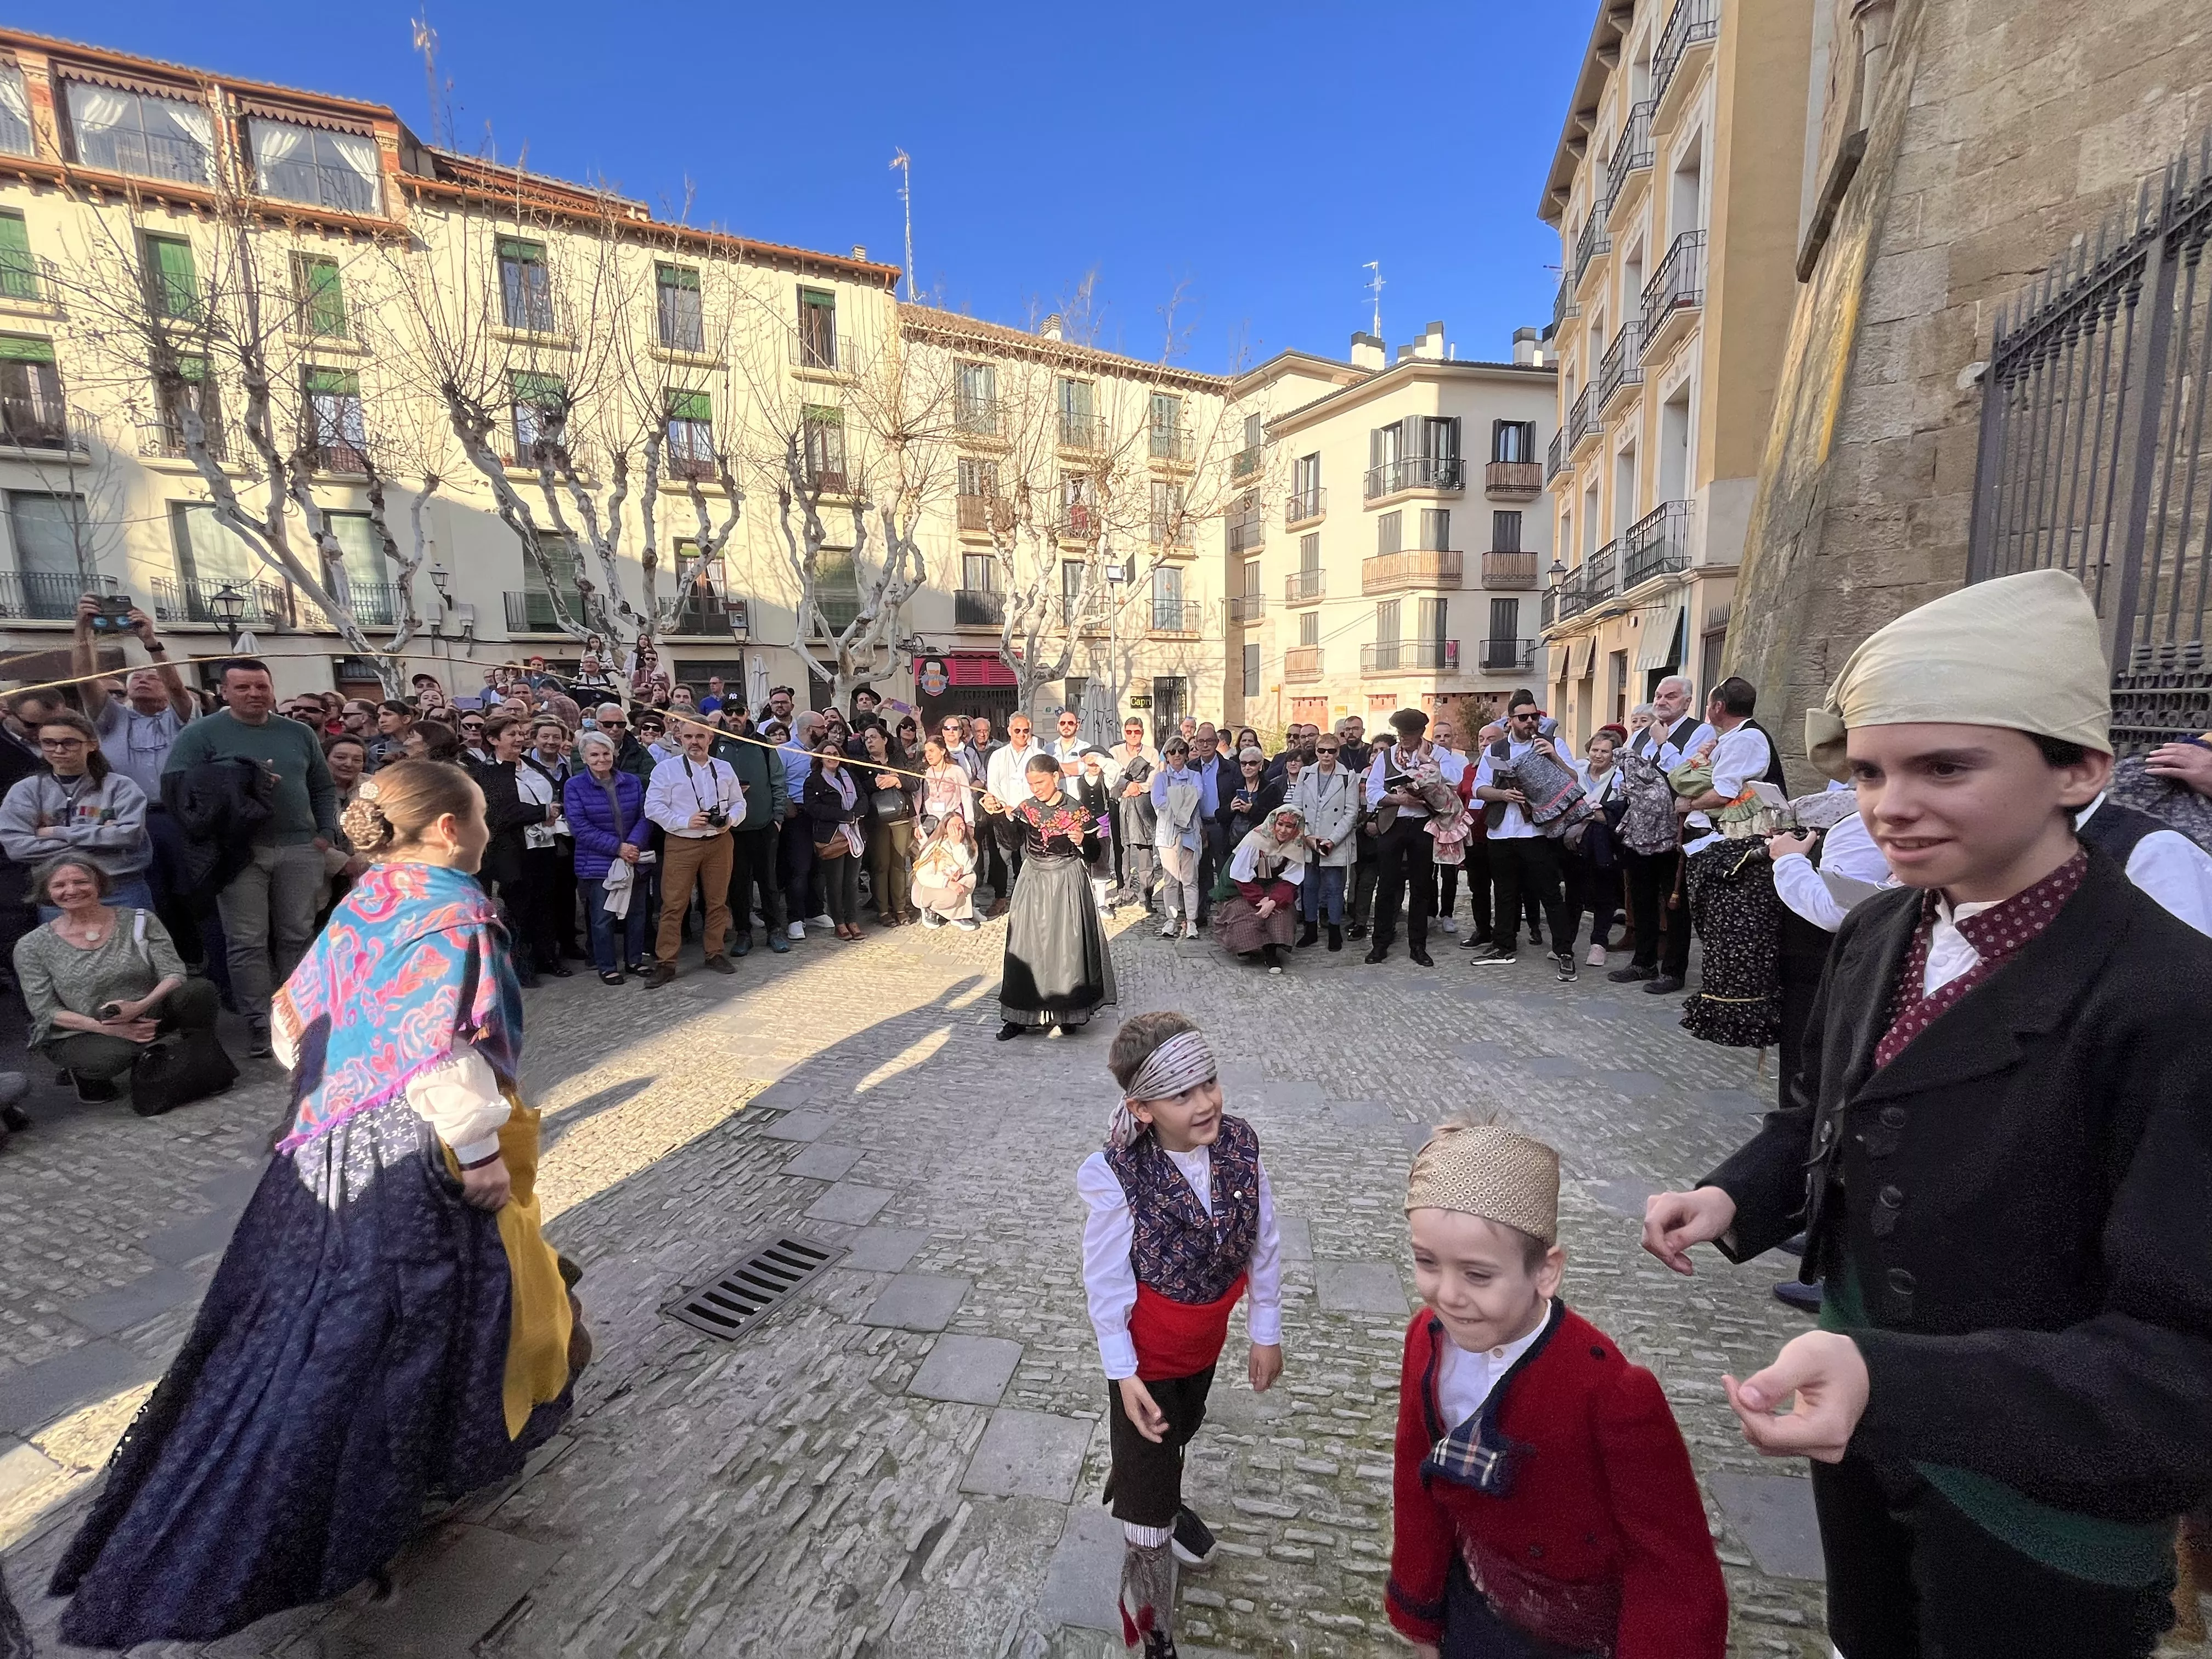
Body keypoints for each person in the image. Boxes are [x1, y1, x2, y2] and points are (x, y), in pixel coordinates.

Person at [1642, 567, 2212, 1659]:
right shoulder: (1876, 933)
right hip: (1861, 1430)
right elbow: (1827, 1118)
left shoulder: (2172, 1000)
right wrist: (1732, 1194)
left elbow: (2181, 1368)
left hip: (2036, 1503)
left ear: (2079, 769)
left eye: (1943, 766)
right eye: (1866, 770)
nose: (1888, 804)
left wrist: (1892, 1378)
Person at [48, 761, 580, 1650]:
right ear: (448, 828)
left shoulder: (371, 897)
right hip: (419, 1151)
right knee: (420, 1327)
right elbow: (441, 1049)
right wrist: (480, 1151)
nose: (488, 828)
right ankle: (364, 1496)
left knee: (311, 1324)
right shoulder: (456, 911)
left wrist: (341, 1092)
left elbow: (295, 1021)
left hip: (328, 1139)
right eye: (480, 815)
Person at [1390, 1120, 1727, 1658]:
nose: (1446, 1295)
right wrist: (1420, 1613)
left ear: (1547, 1273)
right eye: (1426, 1262)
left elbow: (1671, 1560)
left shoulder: (1613, 1393)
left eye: (1478, 1275)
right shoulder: (1425, 1341)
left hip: (1576, 1635)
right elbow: (1417, 1475)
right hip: (1473, 1604)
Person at [1079, 1014, 1283, 1653]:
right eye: (1182, 1094)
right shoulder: (1116, 1175)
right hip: (1147, 1359)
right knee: (1147, 1499)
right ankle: (1153, 1626)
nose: (1206, 1103)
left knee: (1182, 1430)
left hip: (1204, 1343)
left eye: (1210, 1083)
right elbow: (1106, 1279)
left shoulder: (1240, 1146)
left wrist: (1265, 1329)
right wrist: (1122, 1371)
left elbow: (1263, 1240)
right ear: (1141, 1109)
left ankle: (1154, 1486)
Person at [162, 660, 339, 1059]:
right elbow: (178, 789)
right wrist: (237, 778)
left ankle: (300, 1018)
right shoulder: (201, 734)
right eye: (242, 688)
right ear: (224, 692)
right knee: (247, 942)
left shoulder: (298, 733)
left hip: (300, 848)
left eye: (261, 686)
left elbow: (323, 787)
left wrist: (325, 833)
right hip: (237, 852)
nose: (254, 694)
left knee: (298, 935)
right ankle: (261, 1022)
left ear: (272, 689)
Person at [14, 855, 225, 1107]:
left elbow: (174, 973)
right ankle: (87, 1076)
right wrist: (109, 1028)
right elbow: (45, 1011)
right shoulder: (32, 946)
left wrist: (141, 1006)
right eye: (60, 885)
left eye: (81, 882)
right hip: (82, 1028)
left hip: (147, 1010)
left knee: (199, 991)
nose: (71, 891)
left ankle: (196, 1059)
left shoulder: (140, 920)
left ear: (99, 884)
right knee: (117, 1055)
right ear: (47, 892)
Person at [1674, 676, 1790, 1045]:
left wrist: (1689, 803)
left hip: (1745, 848)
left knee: (1736, 933)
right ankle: (1727, 1004)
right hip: (1734, 845)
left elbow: (1725, 793)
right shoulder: (1736, 738)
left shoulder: (1745, 740)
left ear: (1718, 707)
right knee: (1724, 932)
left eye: (1708, 703)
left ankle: (1740, 1011)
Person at [997, 753, 1116, 1039]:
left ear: (1056, 777)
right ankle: (1019, 1015)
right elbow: (1011, 843)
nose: (1035, 788)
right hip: (1034, 879)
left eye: (1040, 782)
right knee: (1025, 946)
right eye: (1030, 783)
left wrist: (1084, 840)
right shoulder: (1028, 808)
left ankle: (1067, 1011)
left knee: (1066, 947)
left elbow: (1096, 855)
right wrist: (1002, 818)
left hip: (1067, 879)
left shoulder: (1077, 810)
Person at [1611, 675, 1709, 993]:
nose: (1662, 701)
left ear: (1687, 701)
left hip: (1674, 831)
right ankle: (1643, 961)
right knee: (1640, 896)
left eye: (1671, 696)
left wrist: (1662, 744)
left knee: (1674, 900)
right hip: (1639, 829)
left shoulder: (1700, 732)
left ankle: (1674, 970)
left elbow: (1686, 777)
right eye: (1658, 695)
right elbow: (1621, 773)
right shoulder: (1639, 734)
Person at [0, 710, 154, 912]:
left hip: (120, 889)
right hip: (59, 893)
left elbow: (128, 836)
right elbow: (17, 847)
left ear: (92, 744)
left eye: (69, 742)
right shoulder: (25, 791)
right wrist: (104, 840)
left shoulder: (121, 787)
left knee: (135, 944)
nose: (58, 750)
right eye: (49, 743)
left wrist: (58, 832)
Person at [1469, 693, 1577, 979]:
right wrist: (1503, 794)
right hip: (1501, 831)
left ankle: (1564, 951)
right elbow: (1479, 788)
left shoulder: (1552, 744)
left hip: (1537, 831)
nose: (1530, 722)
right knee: (1504, 893)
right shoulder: (1496, 749)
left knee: (1550, 893)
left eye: (1535, 717)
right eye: (1523, 718)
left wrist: (1554, 756)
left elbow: (1574, 781)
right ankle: (1504, 946)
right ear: (1510, 721)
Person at [643, 717, 742, 984]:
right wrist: (684, 821)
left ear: (710, 739)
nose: (694, 742)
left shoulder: (724, 768)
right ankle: (666, 962)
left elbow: (739, 803)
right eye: (688, 737)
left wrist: (730, 820)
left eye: (700, 737)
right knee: (674, 905)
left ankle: (715, 952)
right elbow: (652, 808)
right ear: (680, 739)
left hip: (719, 842)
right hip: (681, 843)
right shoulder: (667, 770)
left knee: (717, 901)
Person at [564, 729, 652, 984]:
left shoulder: (632, 782)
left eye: (606, 753)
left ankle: (635, 960)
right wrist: (617, 848)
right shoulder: (575, 786)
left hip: (633, 856)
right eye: (595, 755)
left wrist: (633, 845)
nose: (601, 759)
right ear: (585, 757)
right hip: (599, 861)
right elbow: (579, 827)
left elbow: (645, 816)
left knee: (637, 912)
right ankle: (607, 965)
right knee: (603, 917)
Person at [1363, 709, 1439, 967]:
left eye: (1408, 734)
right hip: (1393, 824)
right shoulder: (1386, 756)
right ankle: (1380, 944)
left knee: (1421, 887)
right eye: (1400, 733)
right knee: (1386, 886)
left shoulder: (1436, 754)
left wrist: (1430, 780)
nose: (1403, 738)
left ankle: (1418, 945)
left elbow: (1451, 783)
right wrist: (1399, 799)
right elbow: (1372, 791)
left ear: (1420, 733)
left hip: (1424, 825)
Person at [713, 709, 789, 956]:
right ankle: (743, 933)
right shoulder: (714, 744)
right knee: (738, 883)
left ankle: (774, 930)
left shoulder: (764, 744)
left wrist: (777, 818)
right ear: (724, 715)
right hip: (732, 829)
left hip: (763, 824)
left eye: (739, 712)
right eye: (729, 712)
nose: (735, 717)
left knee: (768, 881)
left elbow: (778, 781)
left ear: (747, 714)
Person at [1559, 727, 1628, 969]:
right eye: (1595, 750)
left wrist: (1585, 816)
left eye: (1605, 752)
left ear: (1613, 755)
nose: (1598, 756)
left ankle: (1599, 944)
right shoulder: (1577, 770)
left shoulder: (1620, 778)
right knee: (1573, 893)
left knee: (1603, 894)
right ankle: (1565, 944)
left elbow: (1614, 813)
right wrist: (1591, 814)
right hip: (1573, 844)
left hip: (1604, 844)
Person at [1214, 804, 1307, 973]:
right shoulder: (1256, 840)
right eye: (1280, 824)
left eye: (1289, 826)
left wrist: (1273, 901)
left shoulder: (1296, 844)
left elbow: (1291, 880)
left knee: (1280, 912)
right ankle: (1247, 948)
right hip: (1238, 886)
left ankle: (1271, 952)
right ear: (1273, 823)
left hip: (1270, 886)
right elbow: (1240, 876)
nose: (1284, 830)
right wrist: (1260, 899)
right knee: (1244, 912)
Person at [1286, 730, 1357, 951]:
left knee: (1335, 888)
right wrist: (1306, 835)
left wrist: (1333, 840)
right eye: (1321, 750)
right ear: (1315, 751)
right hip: (1310, 839)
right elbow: (1296, 806)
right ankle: (1310, 930)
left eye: (1331, 751)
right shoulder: (1306, 774)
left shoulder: (1348, 776)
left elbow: (1351, 812)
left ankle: (1335, 931)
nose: (1326, 755)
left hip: (1334, 840)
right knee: (1309, 886)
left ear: (1338, 752)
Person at [983, 713, 1049, 919]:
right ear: (1010, 731)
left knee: (1034, 857)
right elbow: (992, 785)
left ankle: (1034, 898)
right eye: (1017, 730)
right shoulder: (998, 755)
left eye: (1026, 731)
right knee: (1001, 857)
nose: (1022, 734)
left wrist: (1026, 806)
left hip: (1032, 812)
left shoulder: (1039, 755)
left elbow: (1044, 784)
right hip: (1005, 812)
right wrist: (1005, 806)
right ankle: (1000, 898)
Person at [803, 740, 870, 941]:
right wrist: (843, 816)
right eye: (827, 753)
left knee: (851, 882)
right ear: (821, 757)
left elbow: (863, 798)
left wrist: (855, 814)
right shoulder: (813, 781)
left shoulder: (850, 777)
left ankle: (853, 920)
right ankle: (839, 922)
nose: (832, 756)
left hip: (855, 834)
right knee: (835, 882)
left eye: (835, 752)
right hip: (832, 837)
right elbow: (813, 808)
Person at [859, 723, 917, 926]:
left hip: (901, 818)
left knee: (899, 865)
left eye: (873, 737)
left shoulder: (898, 760)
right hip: (877, 821)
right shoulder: (862, 764)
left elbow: (915, 783)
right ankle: (883, 910)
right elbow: (859, 791)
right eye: (866, 739)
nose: (869, 742)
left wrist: (897, 780)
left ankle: (900, 908)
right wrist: (874, 783)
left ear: (885, 739)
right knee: (880, 866)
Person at [1149, 736, 1204, 940]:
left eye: (1181, 751)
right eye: (1173, 752)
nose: (1178, 755)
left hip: (1189, 833)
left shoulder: (1195, 775)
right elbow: (1158, 802)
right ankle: (1171, 919)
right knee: (1170, 879)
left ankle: (1191, 921)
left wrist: (1175, 798)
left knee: (1190, 880)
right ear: (1167, 755)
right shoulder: (1160, 778)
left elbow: (1198, 795)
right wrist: (1183, 798)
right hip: (1168, 835)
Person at [911, 811, 980, 930]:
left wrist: (958, 845)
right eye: (953, 826)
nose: (958, 829)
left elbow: (967, 868)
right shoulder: (935, 846)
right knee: (952, 895)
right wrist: (947, 883)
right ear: (946, 828)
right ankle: (931, 909)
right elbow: (923, 874)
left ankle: (959, 914)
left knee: (971, 877)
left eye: (961, 825)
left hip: (952, 883)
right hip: (929, 888)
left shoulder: (969, 844)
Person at [1218, 746, 1281, 850]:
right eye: (1243, 763)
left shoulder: (1271, 789)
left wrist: (1251, 810)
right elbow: (1219, 815)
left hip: (1262, 845)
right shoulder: (1233, 787)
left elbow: (1274, 819)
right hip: (1234, 845)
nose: (1247, 767)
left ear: (1260, 765)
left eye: (1252, 763)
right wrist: (1231, 808)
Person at [365, 699, 413, 770]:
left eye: (387, 714)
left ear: (406, 719)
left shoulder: (425, 747)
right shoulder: (377, 751)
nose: (381, 720)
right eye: (379, 716)